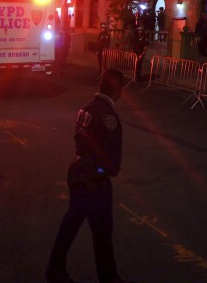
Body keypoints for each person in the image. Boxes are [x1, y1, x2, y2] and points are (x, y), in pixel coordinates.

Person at [46, 69, 132, 283]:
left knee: (92, 228)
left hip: (79, 173)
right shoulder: (107, 115)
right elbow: (109, 156)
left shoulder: (87, 108)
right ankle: (56, 269)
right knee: (86, 228)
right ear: (118, 89)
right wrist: (107, 171)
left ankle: (106, 275)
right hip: (93, 180)